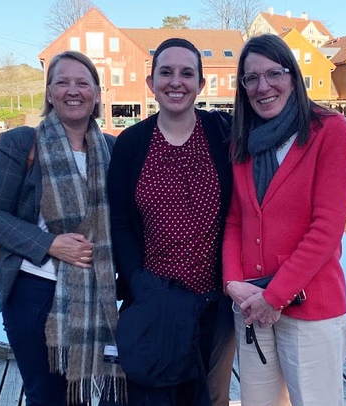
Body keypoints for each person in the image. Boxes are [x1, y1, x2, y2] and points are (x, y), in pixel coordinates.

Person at [0, 50, 124, 406]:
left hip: (98, 293)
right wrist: (50, 244)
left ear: (97, 94)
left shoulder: (113, 149)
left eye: (83, 82)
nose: (74, 90)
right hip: (34, 294)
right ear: (49, 93)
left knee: (105, 395)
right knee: (48, 396)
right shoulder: (21, 143)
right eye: (63, 82)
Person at [223, 34, 346, 406]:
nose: (263, 87)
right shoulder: (242, 142)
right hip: (252, 304)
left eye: (273, 74)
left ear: (293, 77)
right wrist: (233, 281)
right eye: (251, 78)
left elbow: (326, 230)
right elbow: (236, 220)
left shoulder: (329, 131)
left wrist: (275, 296)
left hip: (310, 307)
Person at [107, 38, 237, 406]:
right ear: (151, 83)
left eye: (186, 73)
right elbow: (120, 223)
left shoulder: (222, 132)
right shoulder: (131, 144)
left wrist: (327, 122)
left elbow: (278, 112)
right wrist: (139, 282)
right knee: (152, 395)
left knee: (210, 398)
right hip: (153, 302)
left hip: (214, 304)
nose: (175, 82)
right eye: (166, 72)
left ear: (201, 84)